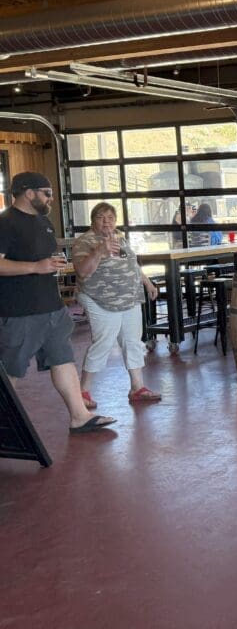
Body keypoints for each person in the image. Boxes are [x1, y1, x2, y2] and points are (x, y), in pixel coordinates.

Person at [0, 172, 116, 434]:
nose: (51, 198)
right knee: (11, 369)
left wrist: (50, 265)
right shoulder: (6, 223)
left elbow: (46, 259)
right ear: (28, 192)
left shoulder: (44, 222)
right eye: (47, 193)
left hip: (51, 307)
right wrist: (35, 267)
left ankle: (79, 416)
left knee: (63, 358)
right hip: (19, 310)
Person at [72, 202, 161, 406]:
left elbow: (132, 264)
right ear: (93, 221)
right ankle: (83, 391)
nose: (106, 222)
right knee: (103, 341)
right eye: (101, 217)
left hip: (129, 297)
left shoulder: (119, 237)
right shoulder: (84, 241)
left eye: (110, 218)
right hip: (100, 298)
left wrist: (147, 282)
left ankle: (137, 387)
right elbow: (82, 272)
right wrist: (99, 251)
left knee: (133, 340)